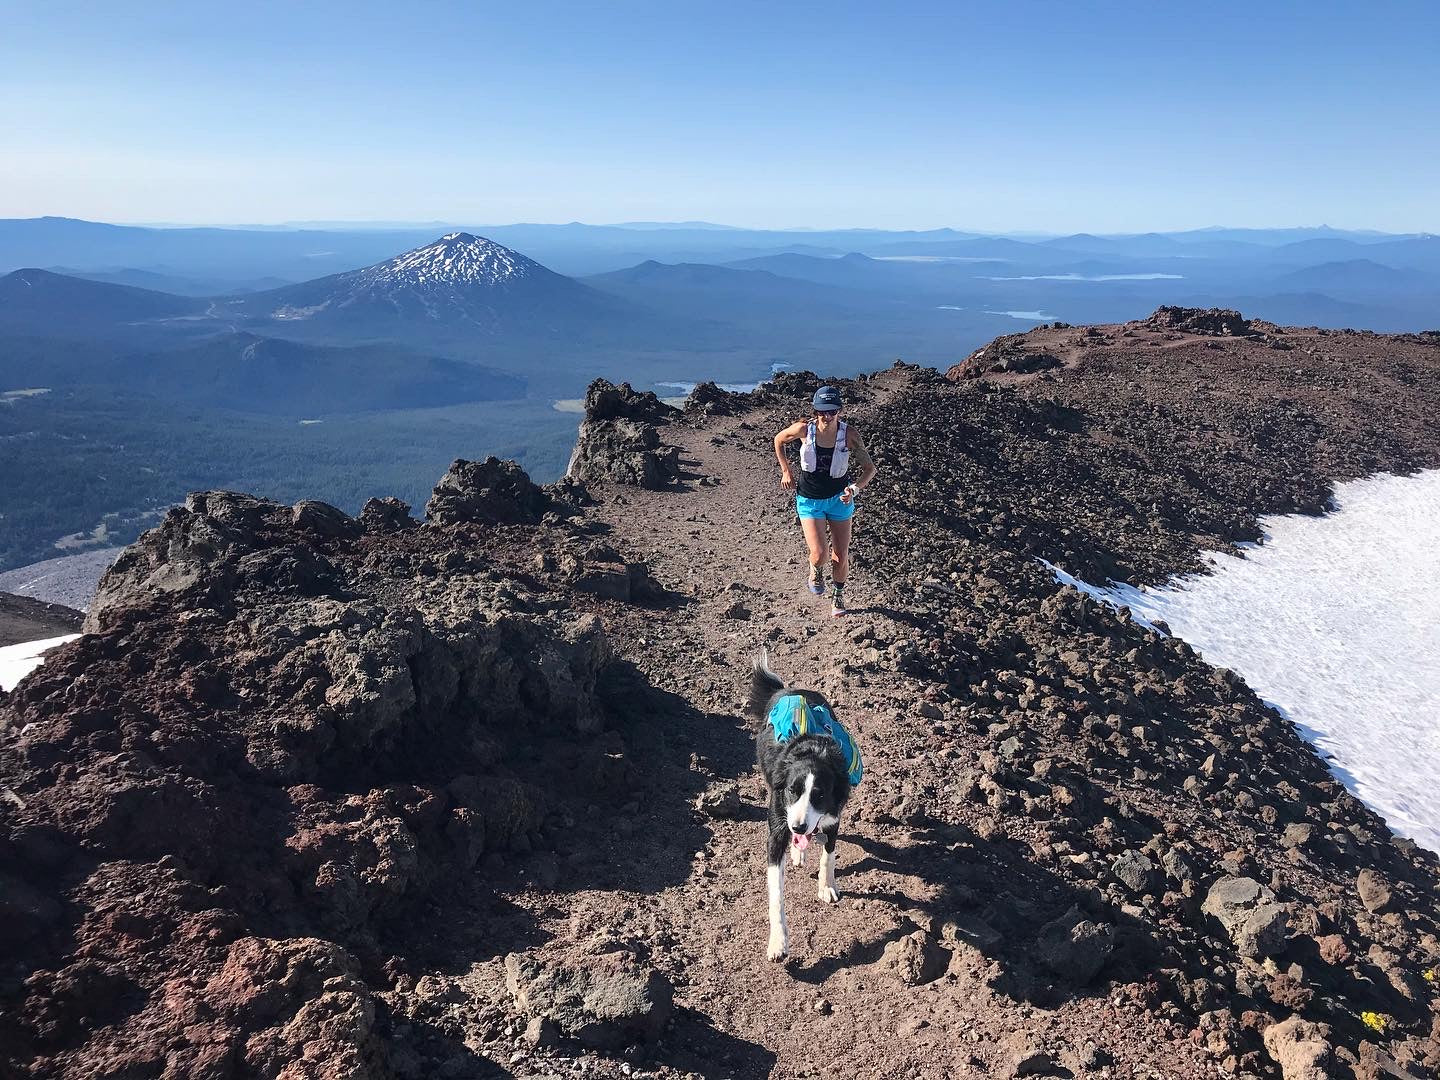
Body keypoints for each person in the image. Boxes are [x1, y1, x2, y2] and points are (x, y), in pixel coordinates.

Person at [773, 385, 878, 616]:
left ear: (839, 410)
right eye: (822, 411)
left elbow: (869, 469)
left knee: (840, 556)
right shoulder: (803, 430)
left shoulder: (849, 435)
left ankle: (838, 595)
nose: (827, 416)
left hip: (839, 500)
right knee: (820, 554)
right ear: (815, 411)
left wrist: (854, 489)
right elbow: (779, 440)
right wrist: (786, 471)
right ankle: (815, 569)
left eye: (832, 411)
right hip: (809, 500)